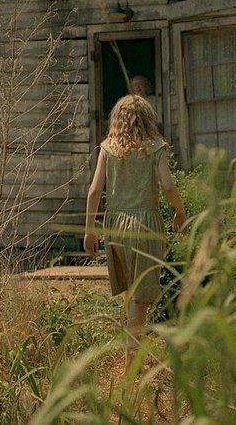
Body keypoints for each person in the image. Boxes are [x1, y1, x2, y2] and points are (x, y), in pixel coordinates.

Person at [84, 94, 187, 365]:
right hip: (144, 226)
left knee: (131, 292)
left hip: (115, 226)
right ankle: (132, 362)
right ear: (147, 118)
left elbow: (94, 191)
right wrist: (180, 213)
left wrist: (89, 230)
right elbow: (168, 186)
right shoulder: (155, 148)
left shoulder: (107, 148)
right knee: (140, 297)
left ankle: (131, 353)